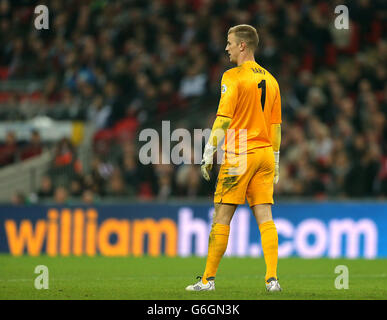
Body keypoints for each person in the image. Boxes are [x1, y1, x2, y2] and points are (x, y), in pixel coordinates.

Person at [186, 25, 282, 292]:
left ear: (243, 45)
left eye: (229, 43)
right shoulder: (272, 80)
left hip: (240, 150)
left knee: (221, 216)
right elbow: (276, 127)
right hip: (264, 152)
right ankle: (272, 279)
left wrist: (208, 153)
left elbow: (223, 119)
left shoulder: (233, 75)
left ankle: (207, 281)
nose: (226, 47)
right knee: (265, 216)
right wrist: (275, 159)